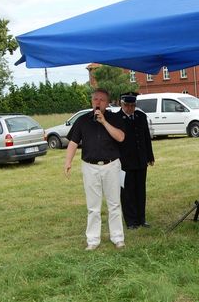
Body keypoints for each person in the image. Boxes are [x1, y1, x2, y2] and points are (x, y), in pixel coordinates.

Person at [64, 88, 127, 250]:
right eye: (95, 99)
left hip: (111, 165)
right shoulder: (82, 120)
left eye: (101, 100)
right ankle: (92, 240)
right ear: (92, 102)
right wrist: (68, 161)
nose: (98, 102)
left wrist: (104, 122)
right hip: (90, 167)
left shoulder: (114, 118)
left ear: (107, 102)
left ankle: (117, 237)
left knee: (114, 204)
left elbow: (120, 137)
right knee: (93, 206)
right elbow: (73, 142)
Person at [114, 92, 155, 229]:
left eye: (133, 105)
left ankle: (141, 219)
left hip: (140, 160)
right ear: (122, 104)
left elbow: (145, 138)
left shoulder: (140, 116)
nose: (130, 108)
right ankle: (131, 221)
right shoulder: (117, 118)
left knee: (140, 190)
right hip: (124, 163)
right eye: (127, 106)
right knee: (127, 193)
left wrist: (150, 156)